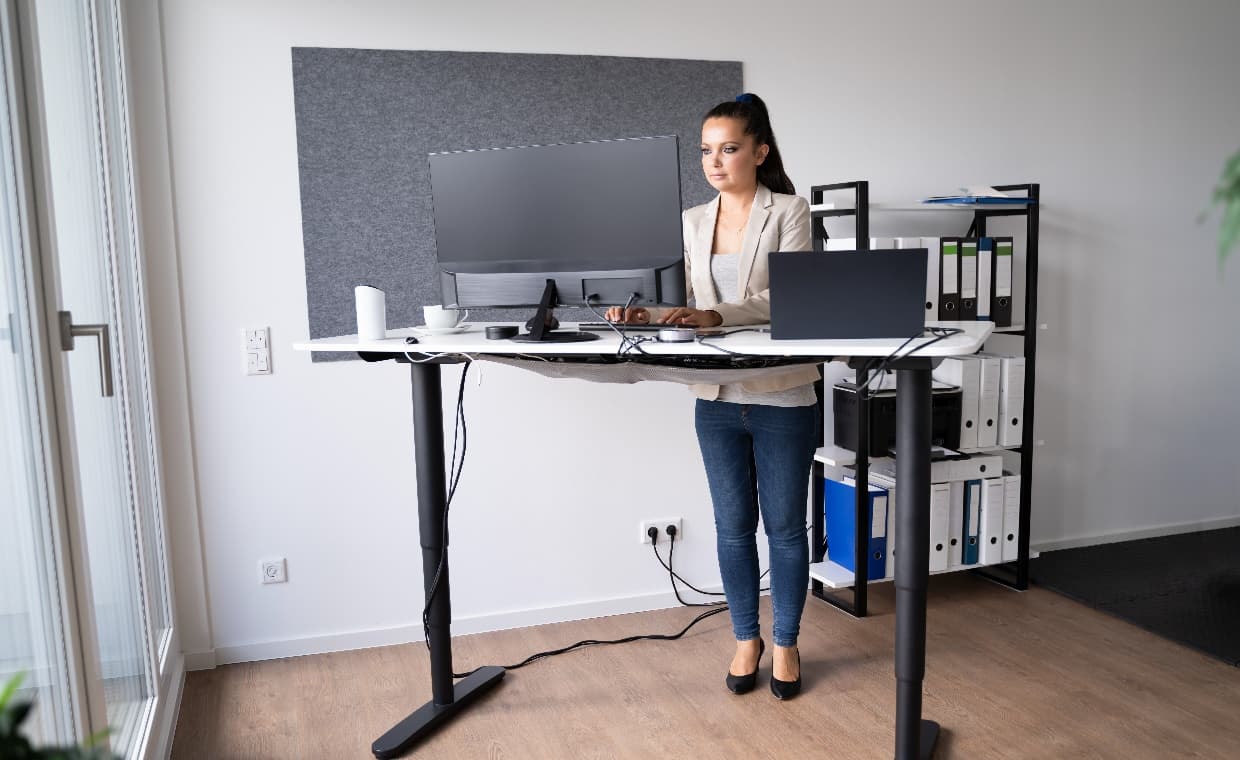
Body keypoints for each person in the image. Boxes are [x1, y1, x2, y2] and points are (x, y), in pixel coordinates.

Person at [607, 93, 818, 699]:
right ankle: (745, 638)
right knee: (731, 528)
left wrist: (713, 314)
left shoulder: (789, 211)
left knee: (784, 529)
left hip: (782, 392)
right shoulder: (692, 221)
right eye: (707, 150)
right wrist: (643, 312)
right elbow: (681, 302)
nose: (715, 161)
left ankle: (786, 644)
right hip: (716, 394)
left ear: (759, 151)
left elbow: (788, 301)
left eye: (728, 149)